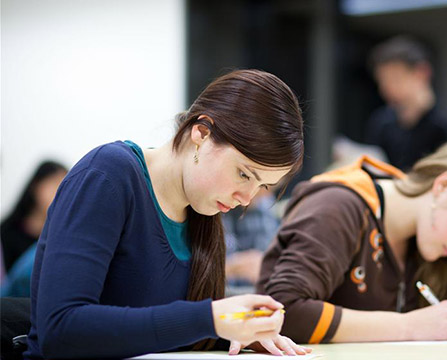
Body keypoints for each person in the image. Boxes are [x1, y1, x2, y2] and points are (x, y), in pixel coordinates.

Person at [24, 70, 311, 359]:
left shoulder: (202, 210)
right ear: (202, 132)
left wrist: (234, 334)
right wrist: (209, 320)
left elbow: (159, 329)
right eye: (243, 174)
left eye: (261, 185)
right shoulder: (107, 176)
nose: (247, 198)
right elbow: (61, 329)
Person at [257, 136, 447, 344]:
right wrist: (410, 325)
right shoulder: (338, 205)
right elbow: (282, 312)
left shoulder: (425, 242)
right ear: (445, 186)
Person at [364, 35, 447, 171]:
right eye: (382, 81)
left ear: (422, 73)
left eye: (395, 78)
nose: (385, 88)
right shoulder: (381, 123)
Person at [1, 161, 67, 273]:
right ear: (36, 185)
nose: (59, 195)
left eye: (65, 189)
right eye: (55, 185)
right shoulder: (6, 232)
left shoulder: (62, 239)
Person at [224, 188, 280, 293]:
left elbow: (268, 251)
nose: (264, 194)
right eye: (264, 186)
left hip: (249, 291)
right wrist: (231, 267)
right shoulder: (217, 206)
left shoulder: (264, 202)